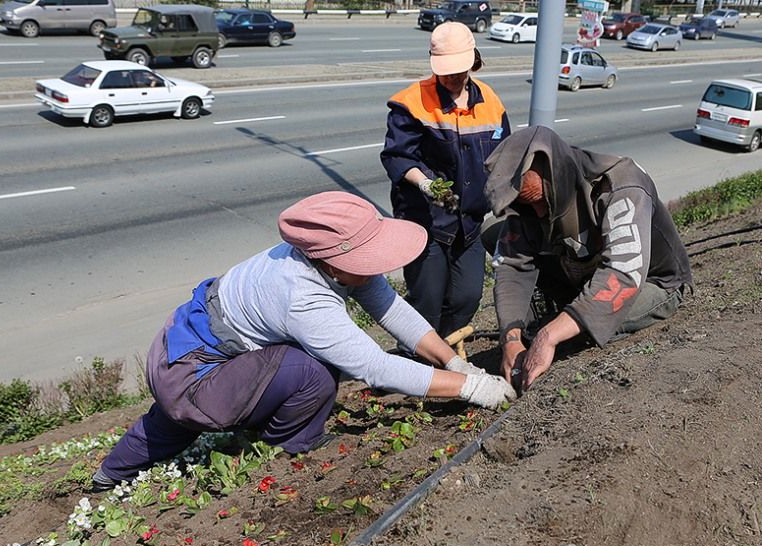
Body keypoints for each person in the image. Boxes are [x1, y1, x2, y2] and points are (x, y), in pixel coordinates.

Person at [92, 192, 516, 490]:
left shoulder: (317, 257)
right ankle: (291, 441)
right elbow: (374, 366)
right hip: (194, 379)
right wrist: (472, 388)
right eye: (367, 256)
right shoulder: (302, 297)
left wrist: (451, 361)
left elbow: (391, 309)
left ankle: (108, 475)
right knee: (314, 373)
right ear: (334, 261)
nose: (376, 267)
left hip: (176, 352)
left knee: (170, 420)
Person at [481, 126, 692, 392]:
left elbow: (623, 276)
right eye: (527, 205)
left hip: (653, 281)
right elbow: (512, 265)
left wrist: (550, 334)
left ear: (558, 176)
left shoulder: (621, 184)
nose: (537, 211)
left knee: (585, 331)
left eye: (541, 201)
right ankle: (563, 315)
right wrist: (510, 338)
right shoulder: (529, 207)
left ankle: (562, 321)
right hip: (585, 273)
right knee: (492, 231)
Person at [380, 22, 511, 341]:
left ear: (472, 61)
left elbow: (504, 153)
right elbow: (397, 156)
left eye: (458, 70)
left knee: (467, 297)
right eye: (445, 71)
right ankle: (419, 365)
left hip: (469, 225)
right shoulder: (411, 103)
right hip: (426, 224)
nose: (452, 78)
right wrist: (425, 184)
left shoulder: (490, 101)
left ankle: (449, 355)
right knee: (427, 303)